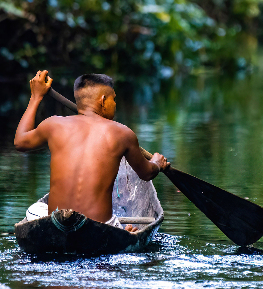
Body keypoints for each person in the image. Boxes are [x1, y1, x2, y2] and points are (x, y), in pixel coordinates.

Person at [13, 70, 170, 232]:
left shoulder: (53, 124)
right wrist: (157, 163)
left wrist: (35, 97)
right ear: (103, 100)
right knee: (119, 228)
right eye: (113, 99)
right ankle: (122, 231)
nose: (115, 104)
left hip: (56, 224)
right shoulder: (123, 134)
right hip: (101, 228)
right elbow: (146, 173)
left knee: (37, 209)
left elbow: (20, 142)